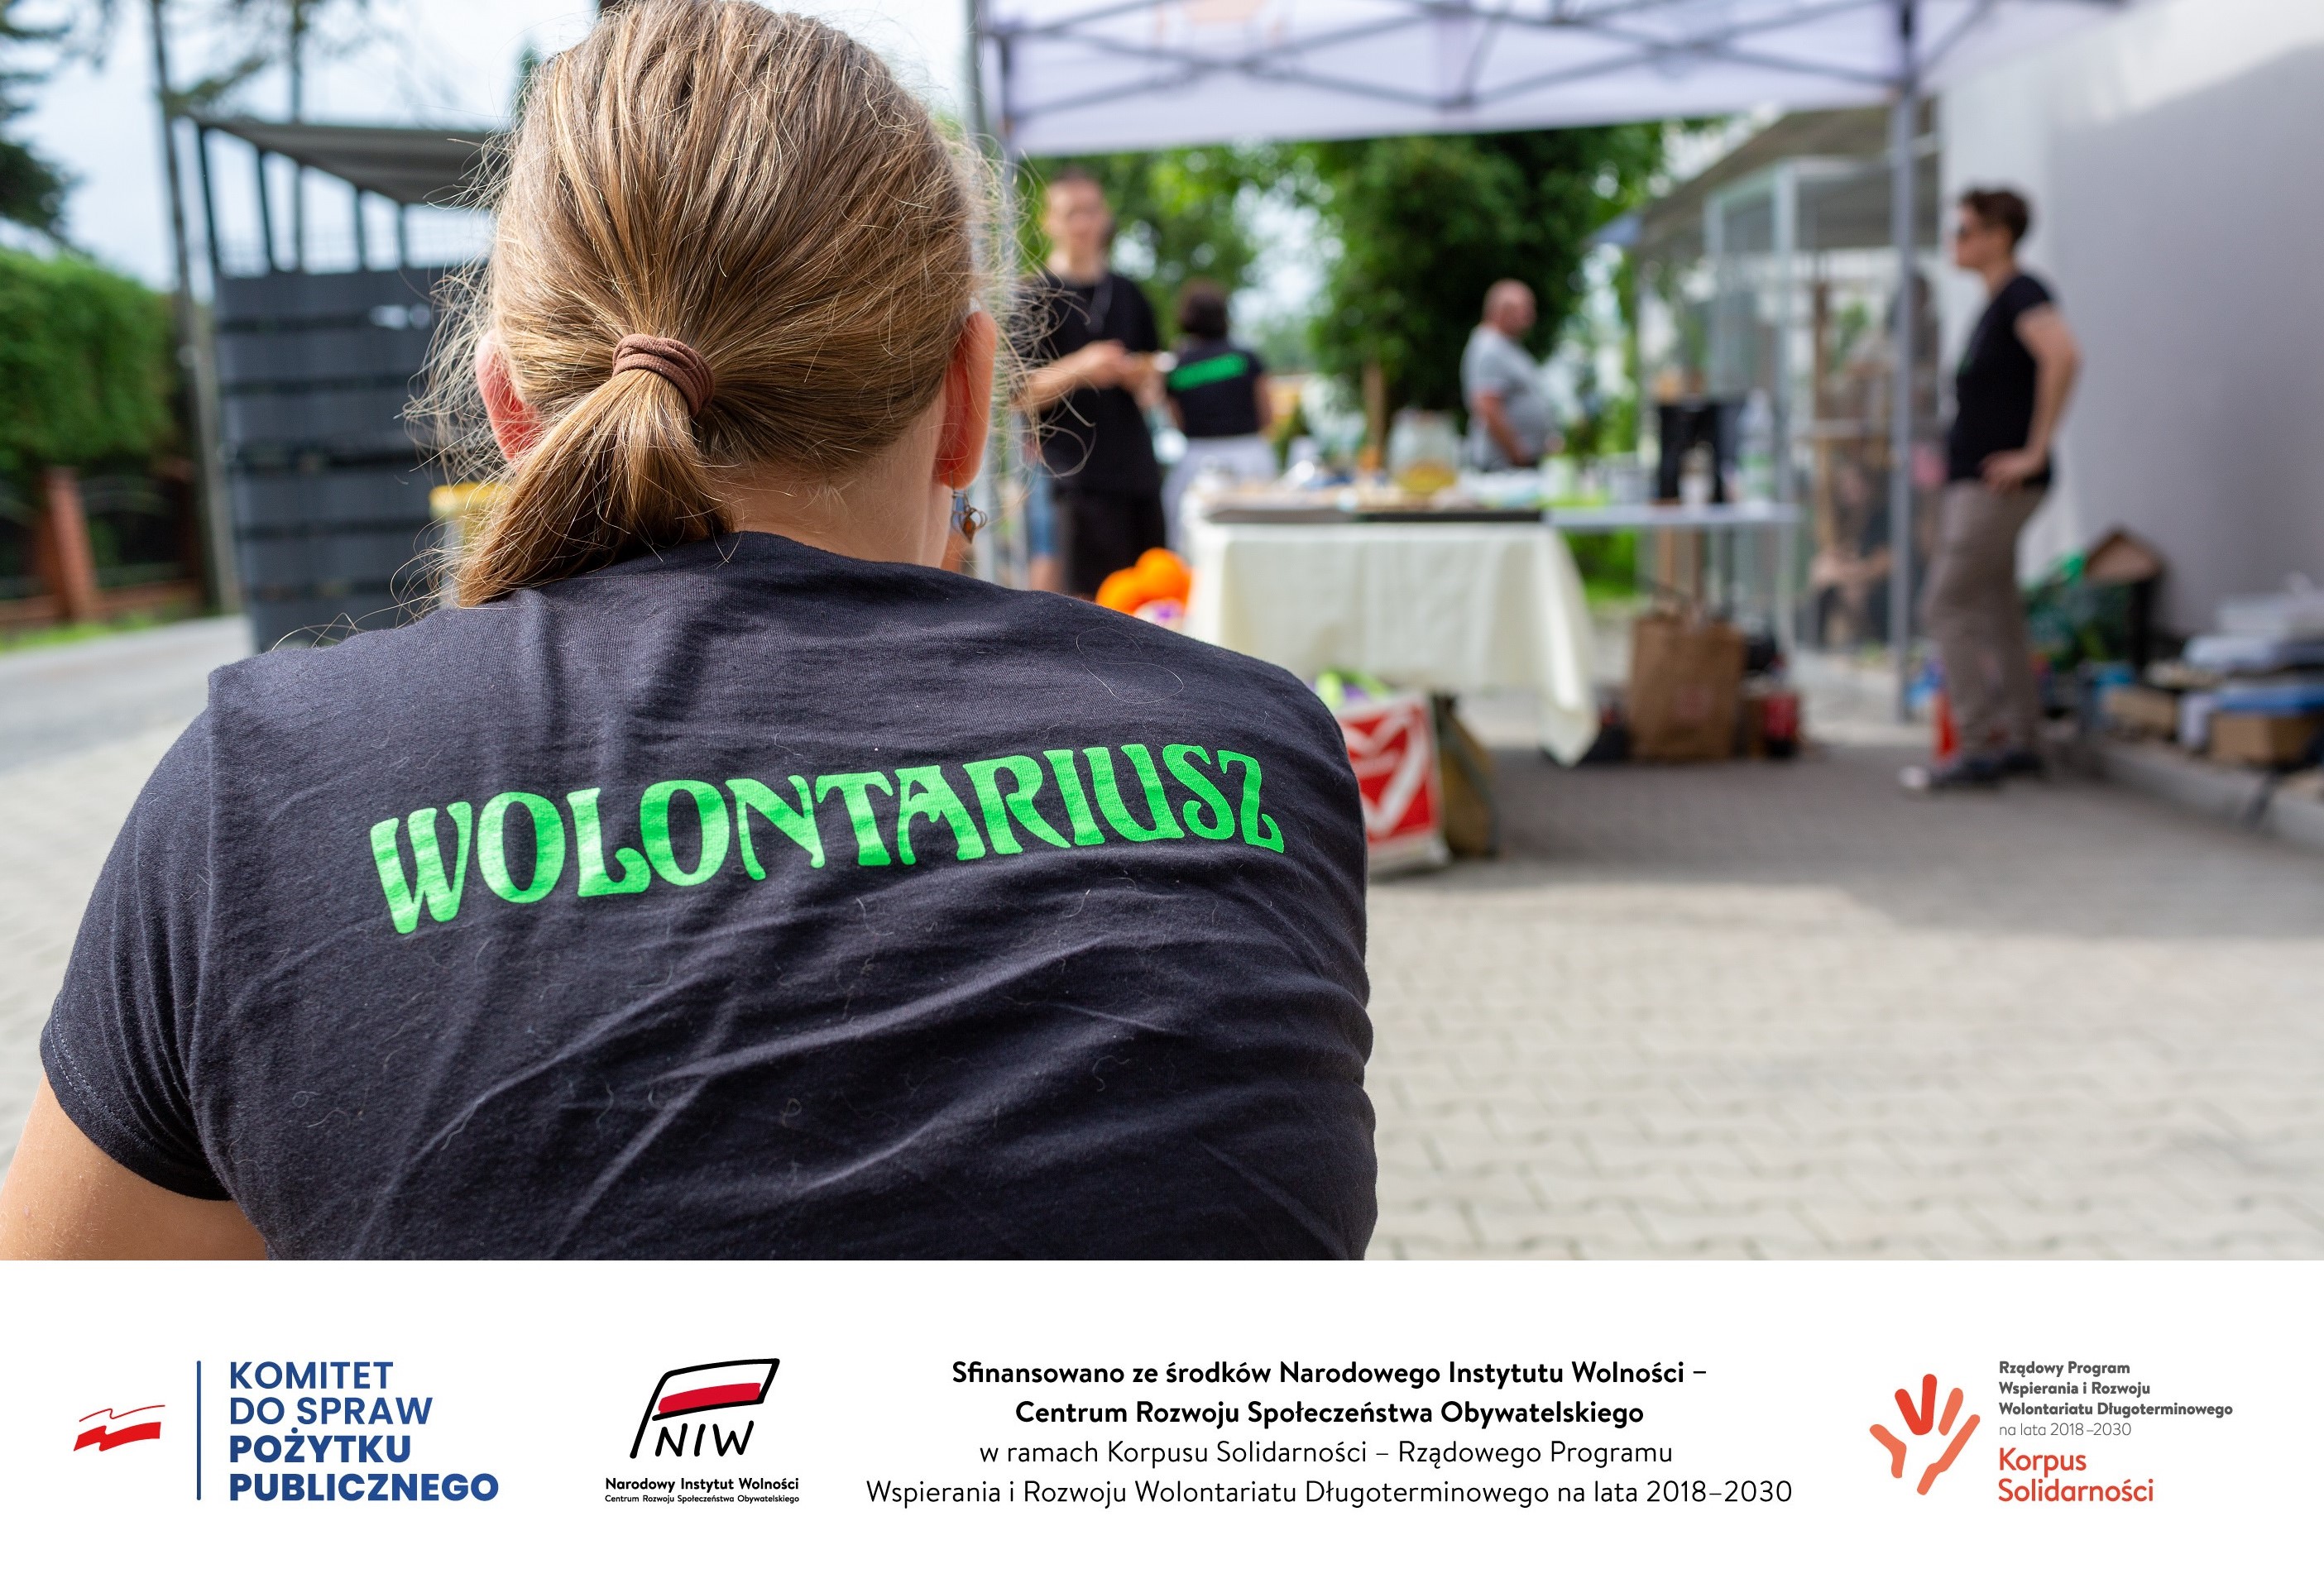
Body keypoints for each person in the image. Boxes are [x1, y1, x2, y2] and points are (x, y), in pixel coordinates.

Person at [0, 1, 1374, 1260]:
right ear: (967, 396)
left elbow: (82, 1402)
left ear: (512, 410)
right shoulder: (1258, 753)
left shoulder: (259, 798)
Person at [1905, 187, 2082, 792]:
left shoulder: (2022, 293)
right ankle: (2024, 742)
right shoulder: (1995, 304)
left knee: (1944, 605)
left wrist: (2034, 450)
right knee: (1995, 607)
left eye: (1964, 231)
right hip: (1977, 483)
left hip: (1996, 486)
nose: (1953, 242)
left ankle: (1977, 745)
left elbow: (2064, 356)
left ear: (1998, 237)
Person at [1014, 171, 1167, 597]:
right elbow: (1017, 393)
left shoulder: (1130, 293)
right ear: (1049, 222)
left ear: (1106, 217)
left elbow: (1155, 378)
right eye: (1071, 213)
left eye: (1091, 211)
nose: (1083, 224)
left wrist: (1143, 378)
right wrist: (1081, 368)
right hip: (1070, 478)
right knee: (1079, 608)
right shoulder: (1033, 297)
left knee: (1150, 601)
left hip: (1136, 471)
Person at [1161, 280, 1276, 554]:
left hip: (1197, 463)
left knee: (1193, 545)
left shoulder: (1179, 366)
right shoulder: (1245, 358)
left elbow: (1176, 421)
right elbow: (1268, 414)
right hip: (1251, 457)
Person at [1461, 280, 1551, 471]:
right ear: (1502, 310)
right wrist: (1517, 453)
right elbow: (1487, 405)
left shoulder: (1506, 345)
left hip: (1515, 462)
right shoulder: (1489, 347)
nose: (1531, 316)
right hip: (1502, 465)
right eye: (1525, 308)